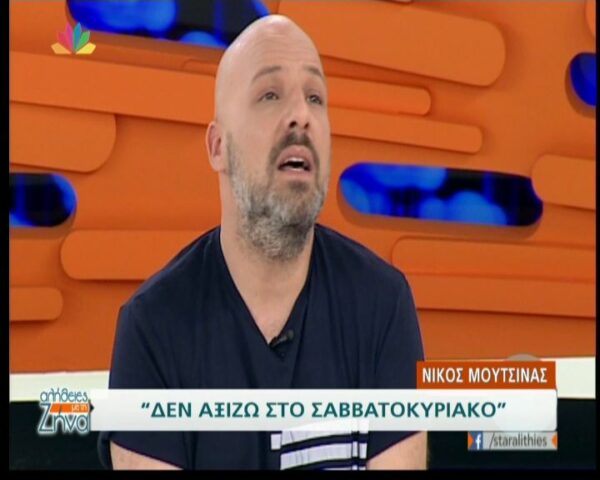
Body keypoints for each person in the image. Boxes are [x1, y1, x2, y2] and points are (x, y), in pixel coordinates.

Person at [98, 14, 426, 470]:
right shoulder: (153, 328)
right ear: (218, 147)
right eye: (270, 95)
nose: (301, 115)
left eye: (315, 97)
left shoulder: (382, 304)